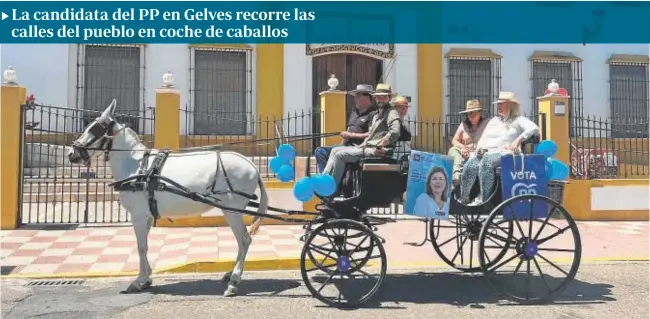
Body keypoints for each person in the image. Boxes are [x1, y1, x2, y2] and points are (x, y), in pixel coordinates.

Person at [459, 92, 540, 205]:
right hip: (487, 152)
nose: (498, 106)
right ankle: (464, 198)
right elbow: (484, 137)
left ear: (510, 105)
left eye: (501, 104)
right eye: (498, 104)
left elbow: (534, 128)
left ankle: (483, 199)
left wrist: (518, 140)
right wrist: (480, 148)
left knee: (486, 163)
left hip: (505, 152)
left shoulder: (518, 120)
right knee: (470, 164)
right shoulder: (494, 121)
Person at [322, 83, 402, 190]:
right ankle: (324, 180)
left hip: (377, 151)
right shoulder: (378, 114)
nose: (381, 99)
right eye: (378, 97)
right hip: (367, 147)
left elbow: (395, 131)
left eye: (384, 97)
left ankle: (331, 189)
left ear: (389, 98)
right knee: (335, 150)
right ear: (375, 98)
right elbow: (372, 135)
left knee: (340, 155)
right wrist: (362, 145)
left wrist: (382, 144)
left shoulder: (391, 112)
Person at [314, 84, 376, 172]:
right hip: (345, 145)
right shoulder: (354, 113)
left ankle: (329, 180)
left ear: (367, 97)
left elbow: (371, 134)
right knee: (320, 151)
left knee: (327, 152)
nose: (355, 99)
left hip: (357, 147)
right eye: (355, 96)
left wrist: (351, 135)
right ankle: (327, 180)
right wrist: (343, 139)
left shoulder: (373, 114)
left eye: (358, 96)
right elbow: (348, 130)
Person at [448, 99, 488, 185]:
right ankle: (456, 174)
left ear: (480, 113)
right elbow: (454, 140)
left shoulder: (486, 124)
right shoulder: (463, 125)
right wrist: (462, 148)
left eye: (474, 113)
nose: (472, 116)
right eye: (469, 113)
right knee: (453, 150)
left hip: (480, 154)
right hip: (465, 153)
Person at [374, 95, 412, 159]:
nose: (403, 110)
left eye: (405, 107)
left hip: (405, 155)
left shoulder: (404, 122)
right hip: (393, 156)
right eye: (399, 107)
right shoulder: (390, 122)